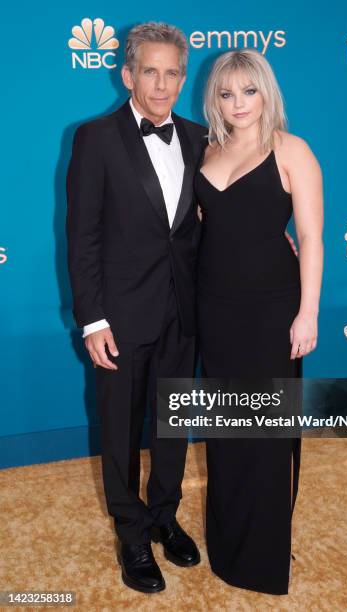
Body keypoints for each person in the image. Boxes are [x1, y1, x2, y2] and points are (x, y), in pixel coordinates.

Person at [66, 22, 208, 594]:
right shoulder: (94, 138)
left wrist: (280, 241)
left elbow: (216, 222)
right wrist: (93, 318)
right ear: (127, 74)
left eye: (173, 72)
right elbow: (83, 237)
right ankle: (130, 533)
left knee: (174, 424)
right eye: (150, 71)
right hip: (121, 317)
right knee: (122, 429)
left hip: (185, 312)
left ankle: (164, 515)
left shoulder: (200, 137)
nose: (162, 83)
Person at [194, 49, 323, 594]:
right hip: (215, 309)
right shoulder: (207, 150)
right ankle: (227, 546)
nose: (238, 103)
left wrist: (307, 312)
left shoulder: (292, 150)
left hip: (273, 310)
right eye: (226, 93)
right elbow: (210, 228)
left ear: (266, 92)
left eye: (249, 91)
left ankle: (265, 556)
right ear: (214, 100)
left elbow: (312, 238)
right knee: (227, 432)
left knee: (267, 433)